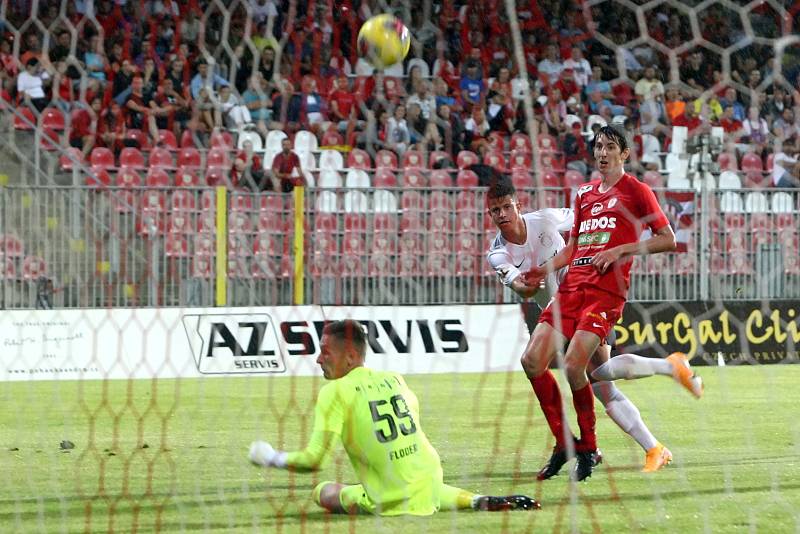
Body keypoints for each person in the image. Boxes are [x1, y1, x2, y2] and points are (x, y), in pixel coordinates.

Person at [485, 174, 703, 480]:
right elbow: (519, 286)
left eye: (506, 207)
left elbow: (586, 220)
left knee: (601, 380)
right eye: (495, 211)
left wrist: (611, 248)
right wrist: (526, 284)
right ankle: (648, 443)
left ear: (518, 205)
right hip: (558, 314)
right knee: (597, 382)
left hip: (587, 297)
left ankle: (667, 374)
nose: (502, 215)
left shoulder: (546, 219)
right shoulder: (497, 253)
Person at [520, 125, 680, 482]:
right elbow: (574, 247)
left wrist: (622, 249)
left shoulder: (637, 191)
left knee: (577, 367)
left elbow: (667, 239)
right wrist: (539, 271)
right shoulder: (584, 193)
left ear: (624, 153)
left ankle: (589, 448)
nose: (602, 153)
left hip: (605, 292)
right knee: (533, 361)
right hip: (571, 289)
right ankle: (569, 444)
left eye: (610, 146)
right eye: (598, 147)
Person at [249, 320, 539, 515]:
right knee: (422, 487)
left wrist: (273, 457)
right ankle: (477, 500)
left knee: (322, 492)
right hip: (429, 477)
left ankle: (374, 493)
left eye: (325, 352)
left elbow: (315, 460)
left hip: (390, 498)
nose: (317, 359)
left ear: (350, 357)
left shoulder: (333, 391)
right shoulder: (395, 378)